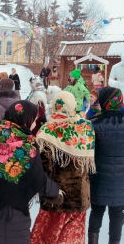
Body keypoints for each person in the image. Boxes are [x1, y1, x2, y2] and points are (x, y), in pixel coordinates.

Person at [0, 100, 62, 244]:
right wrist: (56, 193)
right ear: (25, 120)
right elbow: (39, 180)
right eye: (34, 119)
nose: (34, 123)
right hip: (12, 217)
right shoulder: (26, 147)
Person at [31, 91, 96, 244]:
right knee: (72, 238)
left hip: (55, 195)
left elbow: (43, 167)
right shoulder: (86, 126)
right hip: (80, 194)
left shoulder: (47, 130)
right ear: (72, 105)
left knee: (47, 237)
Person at [88, 87, 124, 244]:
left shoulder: (93, 124)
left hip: (98, 179)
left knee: (96, 211)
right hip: (121, 182)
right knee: (117, 214)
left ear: (102, 101)